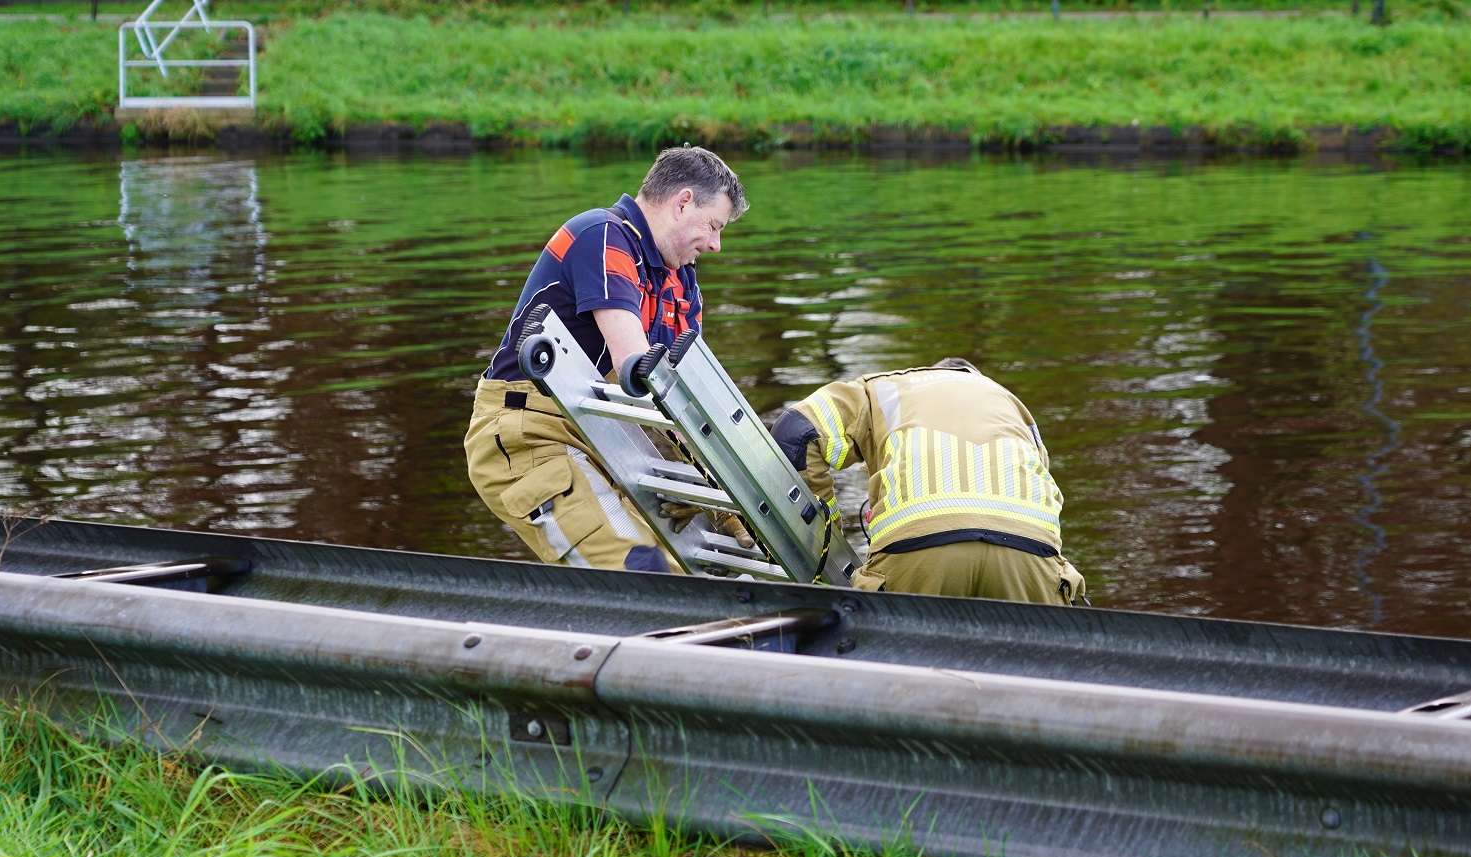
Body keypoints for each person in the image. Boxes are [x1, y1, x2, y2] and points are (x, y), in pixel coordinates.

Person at [464, 146, 746, 573]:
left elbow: (685, 399)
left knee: (703, 572)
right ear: (683, 201)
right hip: (533, 432)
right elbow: (634, 363)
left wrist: (730, 506)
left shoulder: (682, 280)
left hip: (608, 434)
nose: (716, 245)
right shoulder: (603, 234)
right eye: (713, 226)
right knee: (641, 570)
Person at [769, 359, 1088, 605]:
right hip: (1029, 551)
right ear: (973, 378)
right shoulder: (1012, 405)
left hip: (918, 547)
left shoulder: (879, 390)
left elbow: (796, 434)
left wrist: (826, 541)